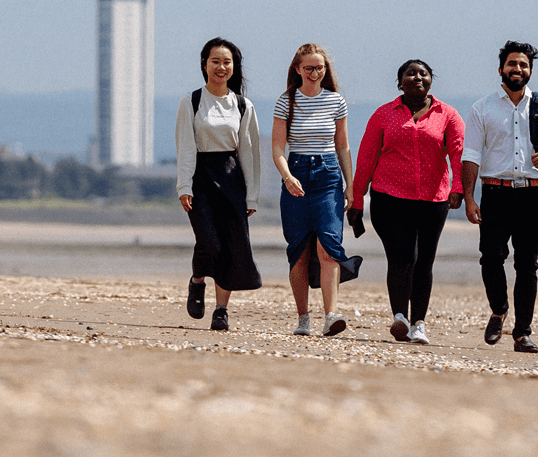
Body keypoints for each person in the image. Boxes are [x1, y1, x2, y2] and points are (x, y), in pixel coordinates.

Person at [460, 41, 538, 354]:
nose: (518, 70)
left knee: (527, 264)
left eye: (524, 65)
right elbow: (470, 154)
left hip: (532, 194)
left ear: (530, 70)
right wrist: (469, 198)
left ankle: (522, 333)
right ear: (501, 69)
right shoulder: (482, 108)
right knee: (491, 256)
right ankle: (499, 310)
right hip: (495, 192)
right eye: (512, 64)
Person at [347, 60, 464, 345]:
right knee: (402, 256)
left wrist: (458, 189)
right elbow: (366, 157)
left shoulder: (447, 115)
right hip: (389, 198)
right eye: (410, 73)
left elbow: (458, 154)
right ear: (400, 82)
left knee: (424, 260)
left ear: (431, 80)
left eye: (423, 73)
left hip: (433, 201)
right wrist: (357, 199)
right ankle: (400, 316)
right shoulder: (384, 114)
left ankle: (419, 324)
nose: (417, 77)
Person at [271, 43, 361, 336]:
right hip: (296, 172)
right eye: (308, 68)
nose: (314, 73)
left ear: (326, 70)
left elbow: (343, 146)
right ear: (298, 69)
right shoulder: (287, 102)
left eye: (319, 68)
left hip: (328, 176)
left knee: (328, 245)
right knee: (298, 248)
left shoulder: (336, 101)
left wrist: (351, 185)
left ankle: (331, 314)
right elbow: (277, 147)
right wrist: (287, 176)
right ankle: (302, 318)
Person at [177, 37, 263, 331]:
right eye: (215, 61)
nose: (221, 67)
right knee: (209, 243)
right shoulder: (191, 101)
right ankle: (197, 280)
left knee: (230, 245)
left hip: (231, 178)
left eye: (227, 62)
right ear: (204, 64)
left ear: (234, 67)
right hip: (201, 177)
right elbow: (185, 147)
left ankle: (222, 310)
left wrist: (252, 196)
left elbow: (250, 153)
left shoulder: (242, 104)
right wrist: (184, 186)